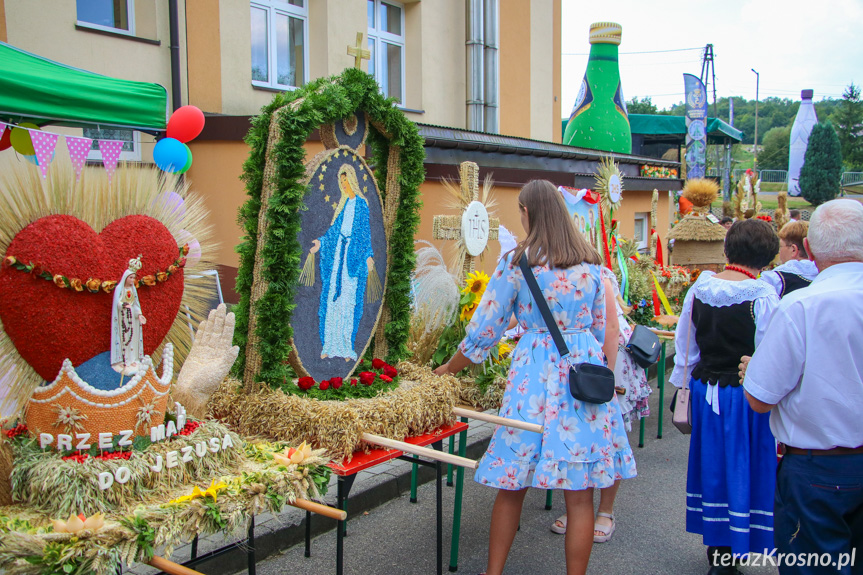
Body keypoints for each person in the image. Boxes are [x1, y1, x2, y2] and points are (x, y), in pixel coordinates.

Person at [434, 179, 636, 575]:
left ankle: (494, 573)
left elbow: (485, 330)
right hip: (581, 376)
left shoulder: (517, 262)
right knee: (579, 495)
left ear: (528, 213)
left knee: (513, 483)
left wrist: (447, 369)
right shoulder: (593, 263)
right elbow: (601, 329)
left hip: (533, 375)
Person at [741, 199, 863, 574]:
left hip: (817, 469)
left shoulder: (800, 306)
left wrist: (751, 373)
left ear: (808, 251)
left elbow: (760, 400)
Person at [671, 219, 780, 575]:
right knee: (742, 466)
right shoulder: (763, 296)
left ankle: (718, 550)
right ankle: (734, 547)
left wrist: (683, 386)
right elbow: (770, 354)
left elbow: (685, 344)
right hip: (745, 396)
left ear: (727, 249)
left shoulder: (701, 288)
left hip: (705, 392)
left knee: (713, 467)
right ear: (766, 257)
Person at [550, 267, 650, 543]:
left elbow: (612, 327)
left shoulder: (597, 273)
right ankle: (579, 506)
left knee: (609, 439)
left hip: (608, 360)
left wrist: (605, 373)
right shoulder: (559, 269)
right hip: (583, 362)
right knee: (582, 438)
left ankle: (605, 511)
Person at [308, 164, 375, 361]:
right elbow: (333, 232)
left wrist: (368, 255)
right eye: (342, 182)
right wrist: (320, 243)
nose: (344, 185)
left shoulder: (362, 205)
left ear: (353, 181)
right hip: (338, 256)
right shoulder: (344, 205)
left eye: (347, 181)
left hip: (352, 261)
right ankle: (329, 345)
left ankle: (346, 348)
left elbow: (365, 235)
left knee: (348, 300)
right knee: (333, 300)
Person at [759, 220, 818, 298]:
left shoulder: (777, 278)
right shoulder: (825, 273)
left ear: (793, 249)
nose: (779, 251)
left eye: (781, 246)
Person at [111, 255, 147, 375]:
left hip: (132, 319)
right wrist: (123, 305)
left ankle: (132, 359)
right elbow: (117, 303)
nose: (132, 280)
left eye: (133, 278)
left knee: (132, 339)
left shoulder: (133, 290)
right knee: (123, 339)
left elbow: (136, 304)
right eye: (130, 278)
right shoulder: (119, 289)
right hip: (122, 320)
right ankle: (123, 360)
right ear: (125, 277)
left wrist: (139, 314)